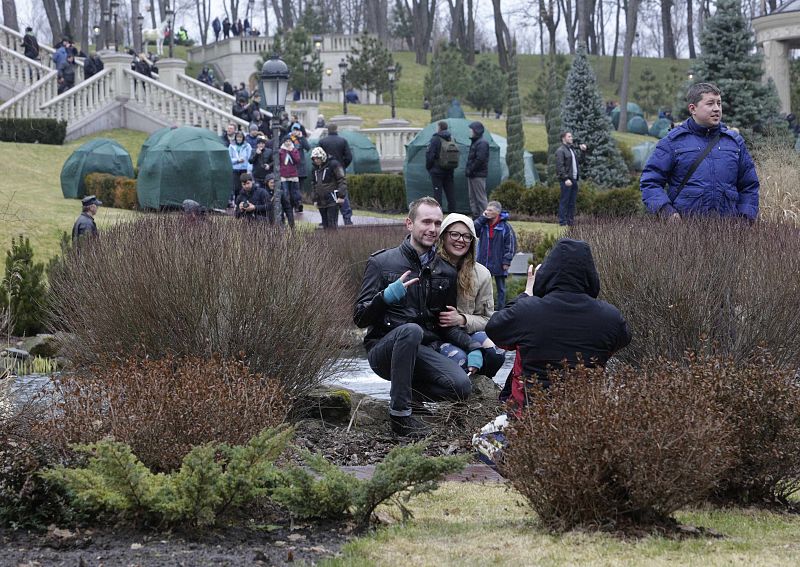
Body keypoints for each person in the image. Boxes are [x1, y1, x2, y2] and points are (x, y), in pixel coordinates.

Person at [354, 197, 482, 438]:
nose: (432, 229)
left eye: (437, 223)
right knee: (411, 330)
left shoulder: (445, 271)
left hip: (423, 351)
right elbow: (360, 318)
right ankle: (400, 417)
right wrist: (385, 297)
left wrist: (472, 344)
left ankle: (409, 396)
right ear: (409, 224)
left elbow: (444, 325)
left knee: (461, 387)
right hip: (384, 350)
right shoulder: (382, 263)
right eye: (426, 222)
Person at [486, 238, 631, 396]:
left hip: (530, 413)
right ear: (590, 274)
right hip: (587, 413)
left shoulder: (527, 311)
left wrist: (526, 294)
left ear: (547, 272)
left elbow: (494, 329)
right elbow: (623, 339)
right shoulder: (610, 317)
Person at [640, 82, 759, 221]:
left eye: (719, 103)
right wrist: (667, 212)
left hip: (729, 231)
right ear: (693, 108)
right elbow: (650, 182)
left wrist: (745, 219)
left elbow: (749, 185)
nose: (717, 109)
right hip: (685, 231)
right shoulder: (673, 142)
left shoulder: (734, 142)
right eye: (710, 104)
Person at [436, 213, 506, 378]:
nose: (461, 240)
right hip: (438, 337)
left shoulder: (482, 274)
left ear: (473, 242)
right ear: (443, 236)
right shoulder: (429, 268)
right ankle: (456, 397)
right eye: (455, 234)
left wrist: (462, 319)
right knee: (461, 359)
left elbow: (488, 320)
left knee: (497, 351)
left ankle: (481, 388)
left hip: (468, 331)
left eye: (467, 236)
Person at [474, 201, 516, 309]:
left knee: (501, 288)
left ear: (497, 212)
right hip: (484, 262)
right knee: (483, 287)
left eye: (490, 210)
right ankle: (483, 308)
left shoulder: (506, 227)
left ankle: (501, 310)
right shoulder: (483, 224)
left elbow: (510, 244)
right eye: (486, 209)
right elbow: (473, 229)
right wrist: (482, 218)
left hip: (499, 262)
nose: (487, 212)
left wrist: (507, 261)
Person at [319, 123, 354, 224]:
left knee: (326, 192)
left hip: (326, 171)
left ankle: (326, 219)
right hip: (340, 169)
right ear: (336, 129)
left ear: (328, 130)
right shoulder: (342, 141)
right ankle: (347, 218)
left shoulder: (322, 141)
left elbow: (319, 155)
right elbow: (349, 157)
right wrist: (343, 166)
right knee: (342, 192)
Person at [555, 131, 587, 226]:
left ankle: (570, 221)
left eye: (571, 136)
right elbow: (560, 167)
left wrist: (583, 151)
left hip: (574, 179)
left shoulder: (571, 150)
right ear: (563, 138)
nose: (571, 138)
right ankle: (562, 221)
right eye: (569, 136)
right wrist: (565, 179)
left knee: (572, 202)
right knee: (565, 201)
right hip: (566, 180)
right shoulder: (560, 150)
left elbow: (580, 162)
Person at [425, 120, 458, 214]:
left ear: (439, 128)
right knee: (450, 193)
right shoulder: (452, 138)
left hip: (437, 171)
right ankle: (453, 213)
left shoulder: (435, 139)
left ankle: (438, 214)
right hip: (449, 170)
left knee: (437, 193)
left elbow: (430, 155)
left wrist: (429, 167)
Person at [310, 147, 346, 229]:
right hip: (320, 201)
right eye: (314, 159)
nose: (316, 161)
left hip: (332, 199)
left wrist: (341, 196)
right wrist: (314, 199)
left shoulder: (334, 164)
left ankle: (333, 241)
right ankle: (327, 241)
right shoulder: (314, 169)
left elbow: (341, 179)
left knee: (332, 224)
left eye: (318, 158)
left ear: (322, 157)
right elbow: (313, 184)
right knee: (325, 225)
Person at [465, 121, 489, 217]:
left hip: (478, 174)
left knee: (480, 198)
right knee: (473, 198)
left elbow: (480, 159)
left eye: (471, 130)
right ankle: (476, 217)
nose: (470, 131)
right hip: (473, 174)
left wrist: (471, 169)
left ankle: (486, 217)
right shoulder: (476, 142)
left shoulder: (482, 143)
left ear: (476, 131)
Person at [278, 136, 300, 228]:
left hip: (293, 175)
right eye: (286, 141)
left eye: (289, 141)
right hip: (284, 175)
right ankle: (287, 207)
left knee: (294, 193)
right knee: (285, 193)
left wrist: (290, 151)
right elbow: (279, 161)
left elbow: (297, 160)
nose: (288, 143)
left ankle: (295, 205)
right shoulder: (281, 151)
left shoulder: (294, 150)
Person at [288, 123, 310, 212]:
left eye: (297, 130)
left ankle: (298, 204)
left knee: (299, 188)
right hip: (291, 167)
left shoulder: (301, 139)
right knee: (292, 188)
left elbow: (308, 147)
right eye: (294, 130)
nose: (295, 132)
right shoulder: (288, 138)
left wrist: (302, 138)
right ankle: (293, 204)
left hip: (300, 168)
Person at [229, 131, 252, 203]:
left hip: (244, 169)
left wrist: (249, 170)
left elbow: (249, 158)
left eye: (240, 137)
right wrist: (237, 160)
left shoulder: (247, 146)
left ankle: (245, 202)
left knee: (244, 187)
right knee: (236, 188)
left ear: (243, 138)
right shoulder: (231, 146)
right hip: (235, 169)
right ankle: (236, 203)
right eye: (238, 137)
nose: (239, 139)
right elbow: (229, 158)